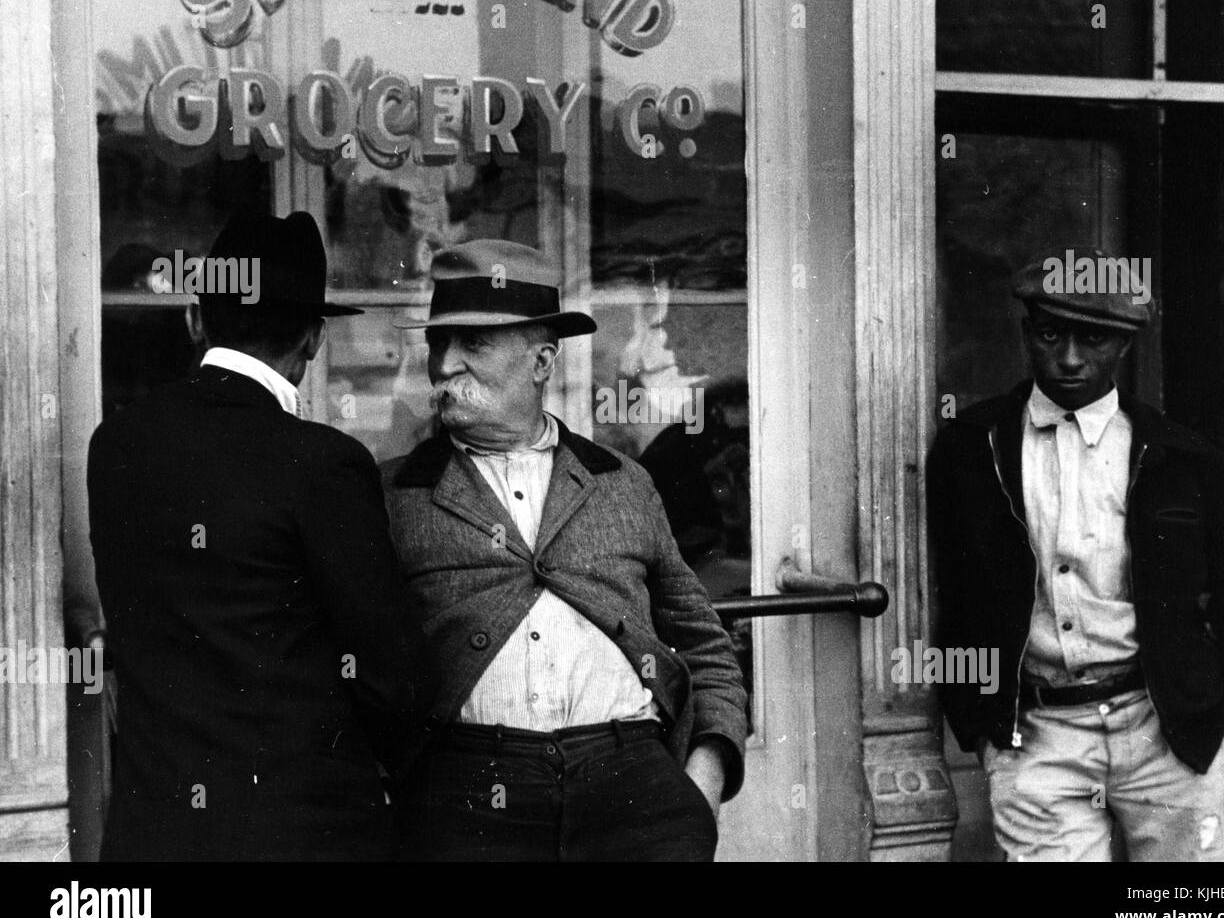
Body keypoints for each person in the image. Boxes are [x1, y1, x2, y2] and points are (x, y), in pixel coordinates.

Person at [382, 239, 747, 861]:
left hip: (635, 795)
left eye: (473, 344)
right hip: (469, 802)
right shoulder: (393, 494)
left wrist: (700, 790)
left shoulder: (620, 482)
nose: (444, 365)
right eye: (437, 344)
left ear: (542, 360)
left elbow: (706, 644)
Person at [928, 246, 1224, 862]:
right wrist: (984, 731)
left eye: (1093, 339)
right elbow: (951, 593)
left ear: (1125, 346)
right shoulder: (971, 448)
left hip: (1169, 733)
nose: (1070, 358)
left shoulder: (1188, 461)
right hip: (1037, 738)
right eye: (1050, 334)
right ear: (1026, 333)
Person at [88, 212, 429, 861]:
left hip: (154, 834)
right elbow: (396, 674)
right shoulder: (325, 463)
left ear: (195, 319)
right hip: (302, 834)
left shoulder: (116, 445)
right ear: (315, 339)